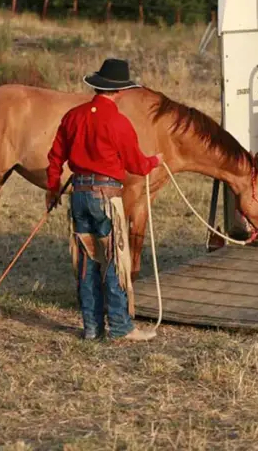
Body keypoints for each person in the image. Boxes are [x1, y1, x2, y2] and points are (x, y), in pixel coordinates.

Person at [46, 58, 162, 341]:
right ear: (120, 91)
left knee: (86, 264)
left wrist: (52, 189)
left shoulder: (73, 116)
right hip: (106, 199)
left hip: (79, 197)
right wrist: (154, 162)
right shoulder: (119, 122)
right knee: (113, 261)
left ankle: (92, 327)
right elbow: (136, 164)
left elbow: (55, 157)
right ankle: (121, 327)